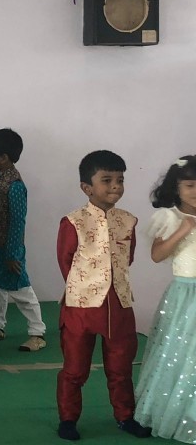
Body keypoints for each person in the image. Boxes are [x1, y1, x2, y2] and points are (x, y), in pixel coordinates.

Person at [56, 150, 151, 440]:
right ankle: (68, 419)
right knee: (75, 369)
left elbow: (128, 258)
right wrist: (85, 288)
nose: (115, 186)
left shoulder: (129, 221)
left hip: (119, 304)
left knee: (121, 367)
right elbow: (65, 260)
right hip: (80, 307)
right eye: (107, 180)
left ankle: (125, 416)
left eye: (120, 180)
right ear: (87, 187)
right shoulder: (73, 221)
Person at [134, 156, 196, 441]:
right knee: (178, 354)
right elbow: (157, 255)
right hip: (185, 294)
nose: (195, 191)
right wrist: (182, 231)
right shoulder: (169, 217)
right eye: (190, 185)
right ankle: (171, 412)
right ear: (176, 188)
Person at [0, 128, 46, 352]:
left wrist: (11, 255)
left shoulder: (15, 185)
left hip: (7, 251)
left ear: (3, 158)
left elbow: (18, 222)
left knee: (21, 291)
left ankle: (37, 332)